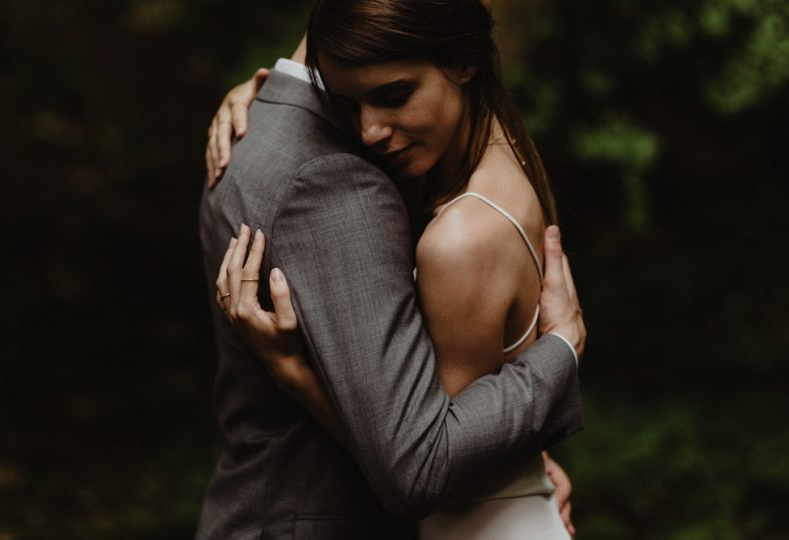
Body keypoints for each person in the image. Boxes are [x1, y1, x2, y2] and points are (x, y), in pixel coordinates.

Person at [197, 1, 585, 538]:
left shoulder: (460, 234)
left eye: (393, 96)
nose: (369, 132)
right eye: (347, 104)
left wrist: (560, 350)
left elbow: (420, 464)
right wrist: (274, 95)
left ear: (464, 60)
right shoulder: (466, 155)